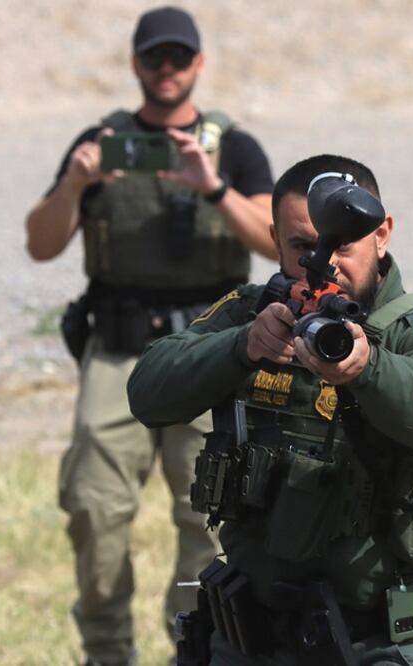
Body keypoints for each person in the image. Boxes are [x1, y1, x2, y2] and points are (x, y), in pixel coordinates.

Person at [127, 154, 413, 665]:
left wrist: (368, 369)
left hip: (378, 636)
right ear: (275, 240)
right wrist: (242, 347)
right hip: (255, 629)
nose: (326, 262)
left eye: (342, 244)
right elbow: (148, 390)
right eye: (303, 246)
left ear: (382, 234)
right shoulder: (251, 313)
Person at [23, 6, 276, 665]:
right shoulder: (100, 142)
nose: (166, 70)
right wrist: (77, 183)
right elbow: (40, 244)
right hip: (118, 349)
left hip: (210, 351)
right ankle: (107, 650)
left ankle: (196, 648)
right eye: (153, 58)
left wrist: (213, 186)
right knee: (94, 509)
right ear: (135, 64)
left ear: (199, 64)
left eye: (178, 57)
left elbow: (279, 242)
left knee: (210, 516)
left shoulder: (233, 148)